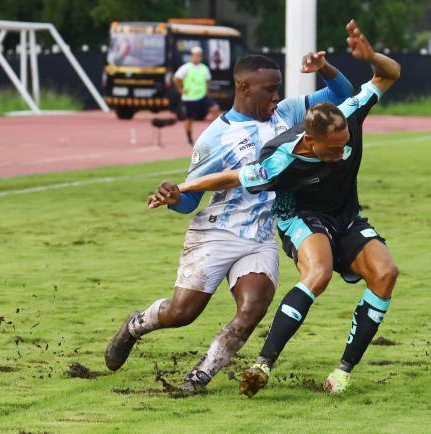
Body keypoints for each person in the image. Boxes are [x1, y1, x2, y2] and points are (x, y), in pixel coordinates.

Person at [160, 20, 401, 396]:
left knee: (386, 273)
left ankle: (342, 373)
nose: (343, 153)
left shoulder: (348, 114)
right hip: (300, 218)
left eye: (346, 144)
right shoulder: (281, 160)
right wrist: (182, 188)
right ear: (309, 143)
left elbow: (387, 75)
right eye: (333, 149)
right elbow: (230, 178)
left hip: (346, 216)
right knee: (318, 273)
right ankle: (263, 364)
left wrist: (368, 57)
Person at [105, 40, 354, 394]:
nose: (276, 96)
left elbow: (343, 93)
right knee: (182, 313)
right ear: (244, 87)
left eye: (278, 89)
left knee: (254, 305)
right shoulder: (215, 139)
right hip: (216, 232)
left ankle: (197, 380)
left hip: (261, 236)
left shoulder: (287, 113)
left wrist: (325, 68)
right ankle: (135, 326)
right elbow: (190, 201)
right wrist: (175, 196)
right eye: (270, 89)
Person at [173, 46, 221, 146]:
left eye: (199, 56)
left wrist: (207, 91)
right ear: (191, 56)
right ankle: (189, 138)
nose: (197, 57)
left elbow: (208, 81)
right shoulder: (186, 67)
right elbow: (176, 79)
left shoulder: (204, 68)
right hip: (189, 98)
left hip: (202, 96)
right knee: (189, 119)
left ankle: (212, 134)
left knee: (215, 108)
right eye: (195, 55)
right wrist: (180, 90)